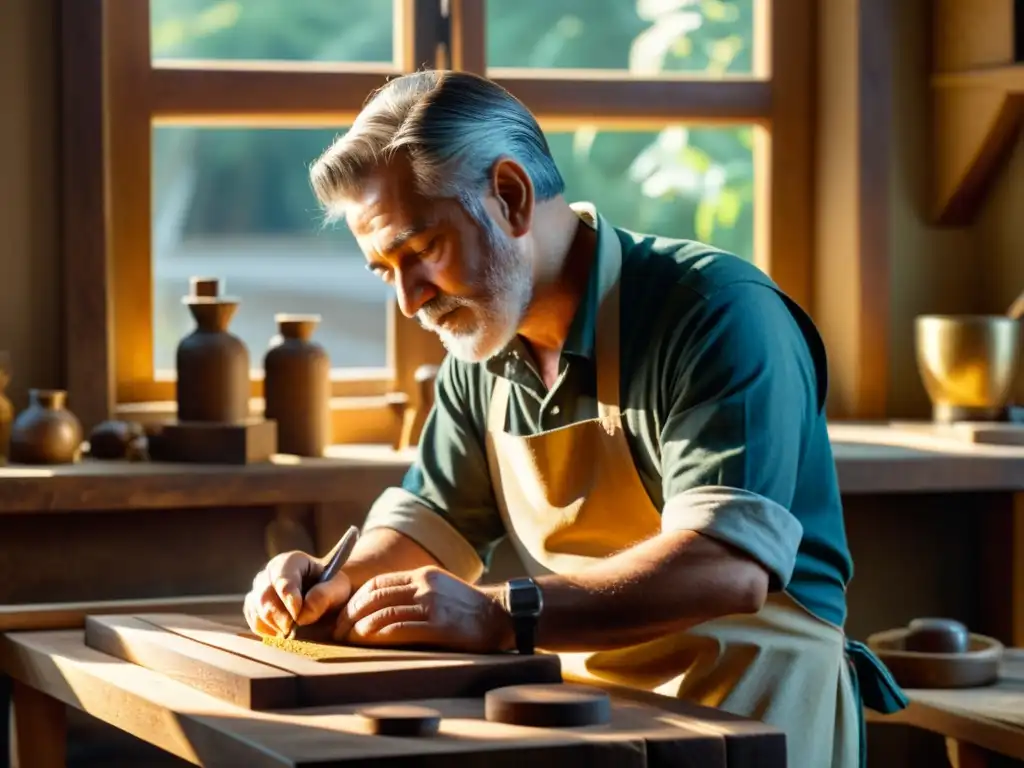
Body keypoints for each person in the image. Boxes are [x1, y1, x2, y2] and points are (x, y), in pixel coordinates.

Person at [243, 70, 906, 766]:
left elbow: (726, 568)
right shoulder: (482, 353)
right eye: (386, 270)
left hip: (760, 726)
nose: (410, 302)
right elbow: (425, 533)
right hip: (598, 731)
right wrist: (325, 582)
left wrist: (500, 614)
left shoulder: (716, 313)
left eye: (422, 251)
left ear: (509, 196)